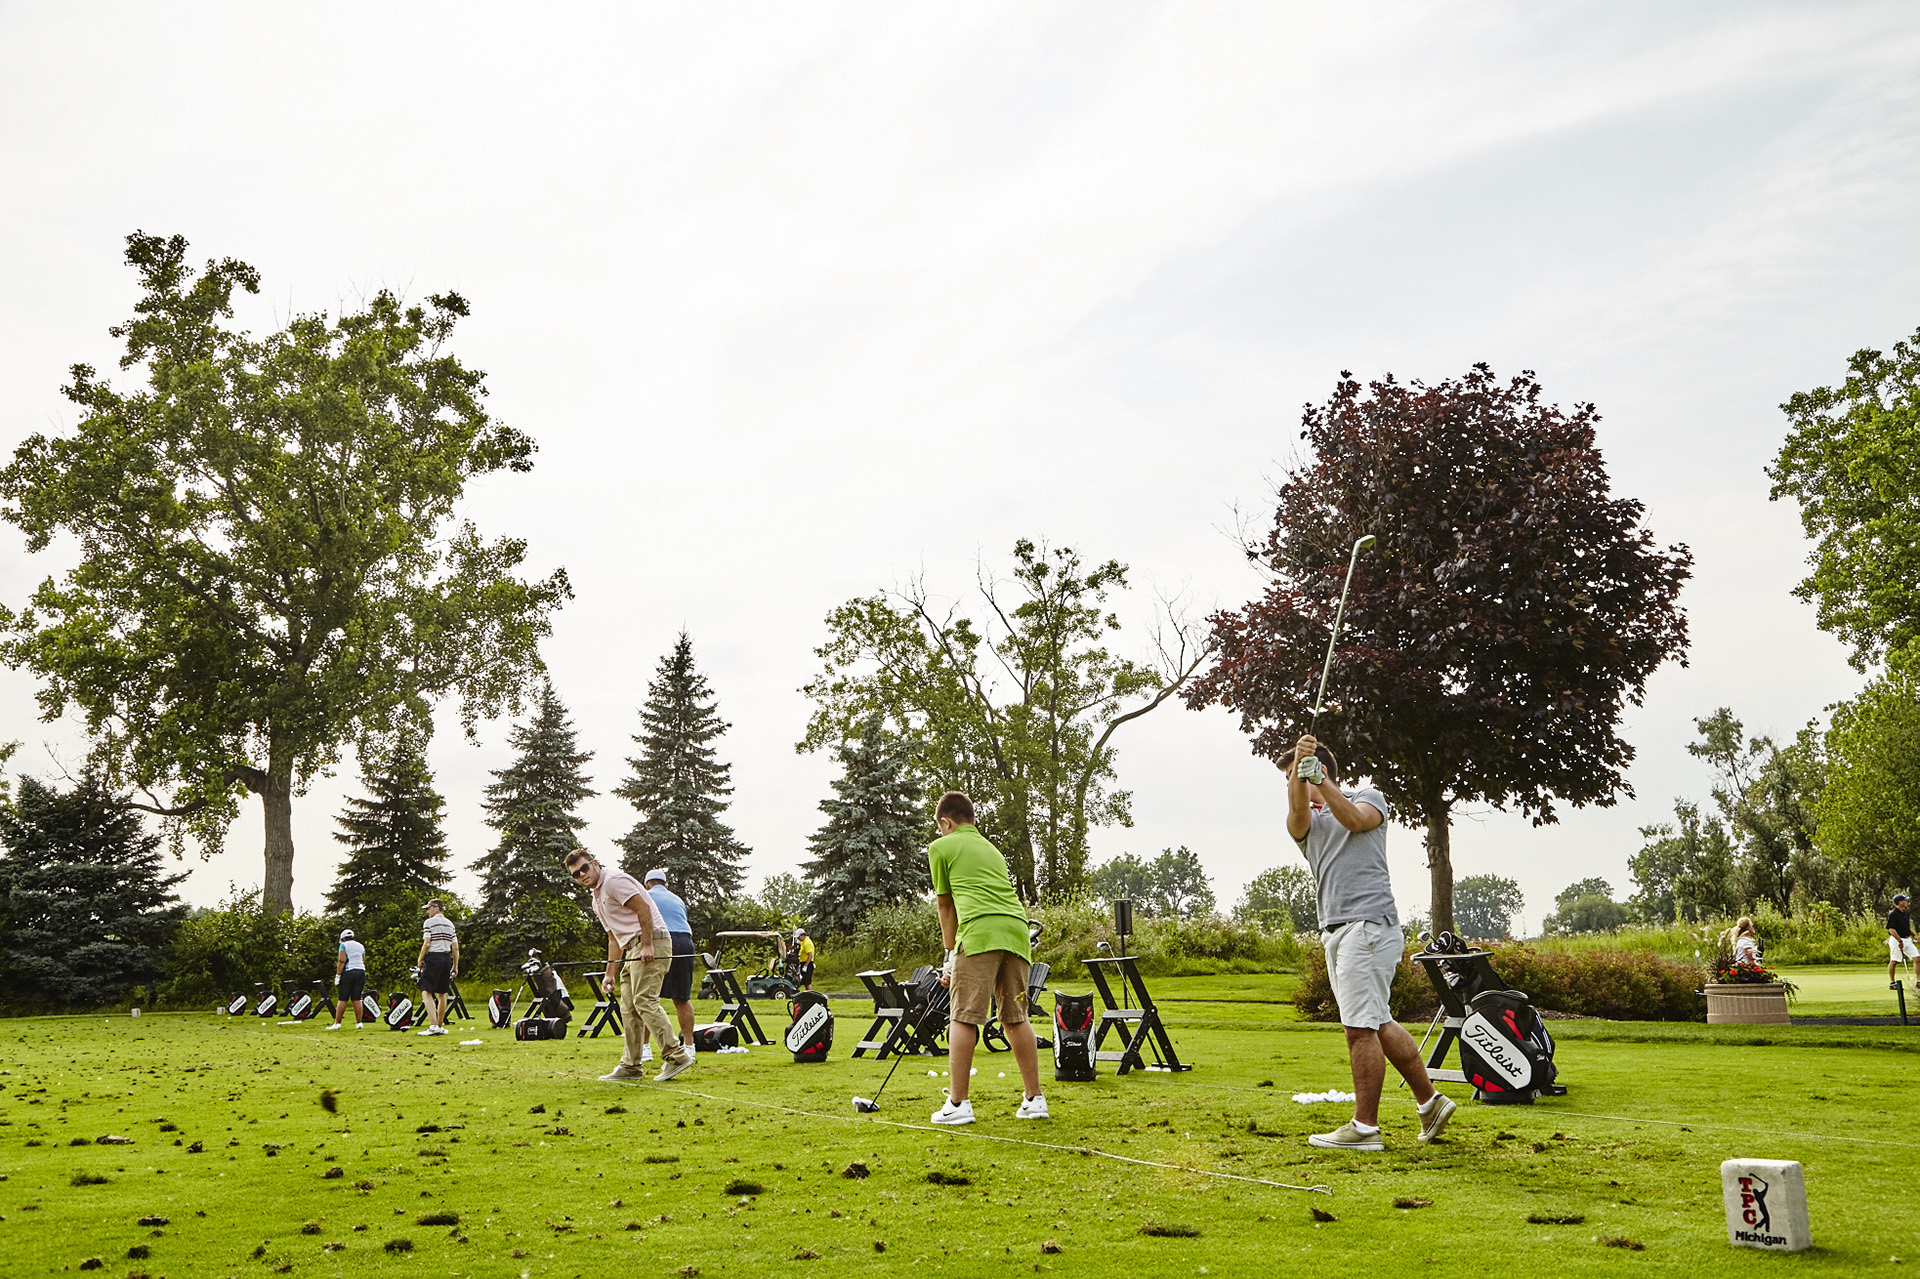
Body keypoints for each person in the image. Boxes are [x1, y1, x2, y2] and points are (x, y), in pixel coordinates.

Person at [1287, 734, 1455, 1151]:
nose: (1291, 784)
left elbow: (1357, 821)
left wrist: (1320, 780)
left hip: (1367, 927)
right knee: (1377, 1021)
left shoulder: (1369, 797)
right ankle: (1430, 1102)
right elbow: (1297, 812)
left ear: (1320, 772)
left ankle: (1365, 1129)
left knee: (1358, 1030)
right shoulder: (1304, 825)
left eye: (1294, 775)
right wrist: (1302, 775)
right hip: (1338, 932)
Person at [927, 790, 1047, 1125]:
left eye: (941, 827)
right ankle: (1034, 1099)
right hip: (1017, 933)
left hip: (979, 934)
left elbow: (945, 905)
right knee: (1015, 1016)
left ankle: (958, 1103)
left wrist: (950, 956)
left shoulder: (941, 847)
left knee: (963, 1016)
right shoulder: (991, 848)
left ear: (946, 822)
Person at [565, 848, 693, 1083]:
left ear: (594, 863)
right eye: (576, 874)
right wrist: (609, 974)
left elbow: (642, 908)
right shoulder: (596, 899)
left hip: (651, 942)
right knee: (629, 1007)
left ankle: (677, 1055)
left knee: (644, 1000)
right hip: (631, 949)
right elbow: (613, 938)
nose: (582, 874)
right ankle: (631, 1066)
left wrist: (647, 945)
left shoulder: (613, 881)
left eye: (584, 868)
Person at [635, 868, 697, 1062]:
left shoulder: (644, 895)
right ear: (666, 885)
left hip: (661, 940)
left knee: (648, 998)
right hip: (685, 942)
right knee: (682, 998)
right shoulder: (677, 899)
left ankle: (645, 1049)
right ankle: (689, 1046)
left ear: (647, 884)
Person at [415, 899, 459, 1035]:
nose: (427, 911)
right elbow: (455, 947)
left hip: (433, 957)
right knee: (442, 993)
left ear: (436, 908)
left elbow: (427, 943)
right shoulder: (450, 924)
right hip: (446, 958)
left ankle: (433, 1026)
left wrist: (420, 958)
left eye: (429, 908)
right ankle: (440, 1026)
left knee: (426, 992)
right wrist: (455, 966)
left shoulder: (429, 923)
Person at [329, 928, 368, 1030]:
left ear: (343, 939)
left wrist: (338, 975)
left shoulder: (343, 945)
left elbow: (342, 960)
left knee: (343, 998)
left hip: (349, 972)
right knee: (357, 998)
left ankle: (337, 1023)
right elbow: (363, 960)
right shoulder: (360, 946)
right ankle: (359, 1023)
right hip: (361, 971)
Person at [1889, 893, 1916, 987]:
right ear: (1899, 902)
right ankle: (1892, 983)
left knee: (1917, 958)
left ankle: (1919, 982)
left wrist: (1913, 935)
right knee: (1894, 961)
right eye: (1904, 900)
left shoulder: (1905, 913)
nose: (1906, 902)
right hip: (1896, 939)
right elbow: (1891, 929)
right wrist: (1899, 941)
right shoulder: (1893, 914)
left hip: (1907, 939)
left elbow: (1906, 927)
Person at [793, 926, 816, 991]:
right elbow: (796, 942)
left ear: (802, 935)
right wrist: (794, 931)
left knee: (807, 982)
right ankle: (807, 994)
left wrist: (805, 966)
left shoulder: (807, 943)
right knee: (805, 981)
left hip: (807, 964)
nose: (798, 938)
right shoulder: (803, 941)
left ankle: (810, 995)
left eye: (798, 937)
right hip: (803, 963)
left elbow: (810, 955)